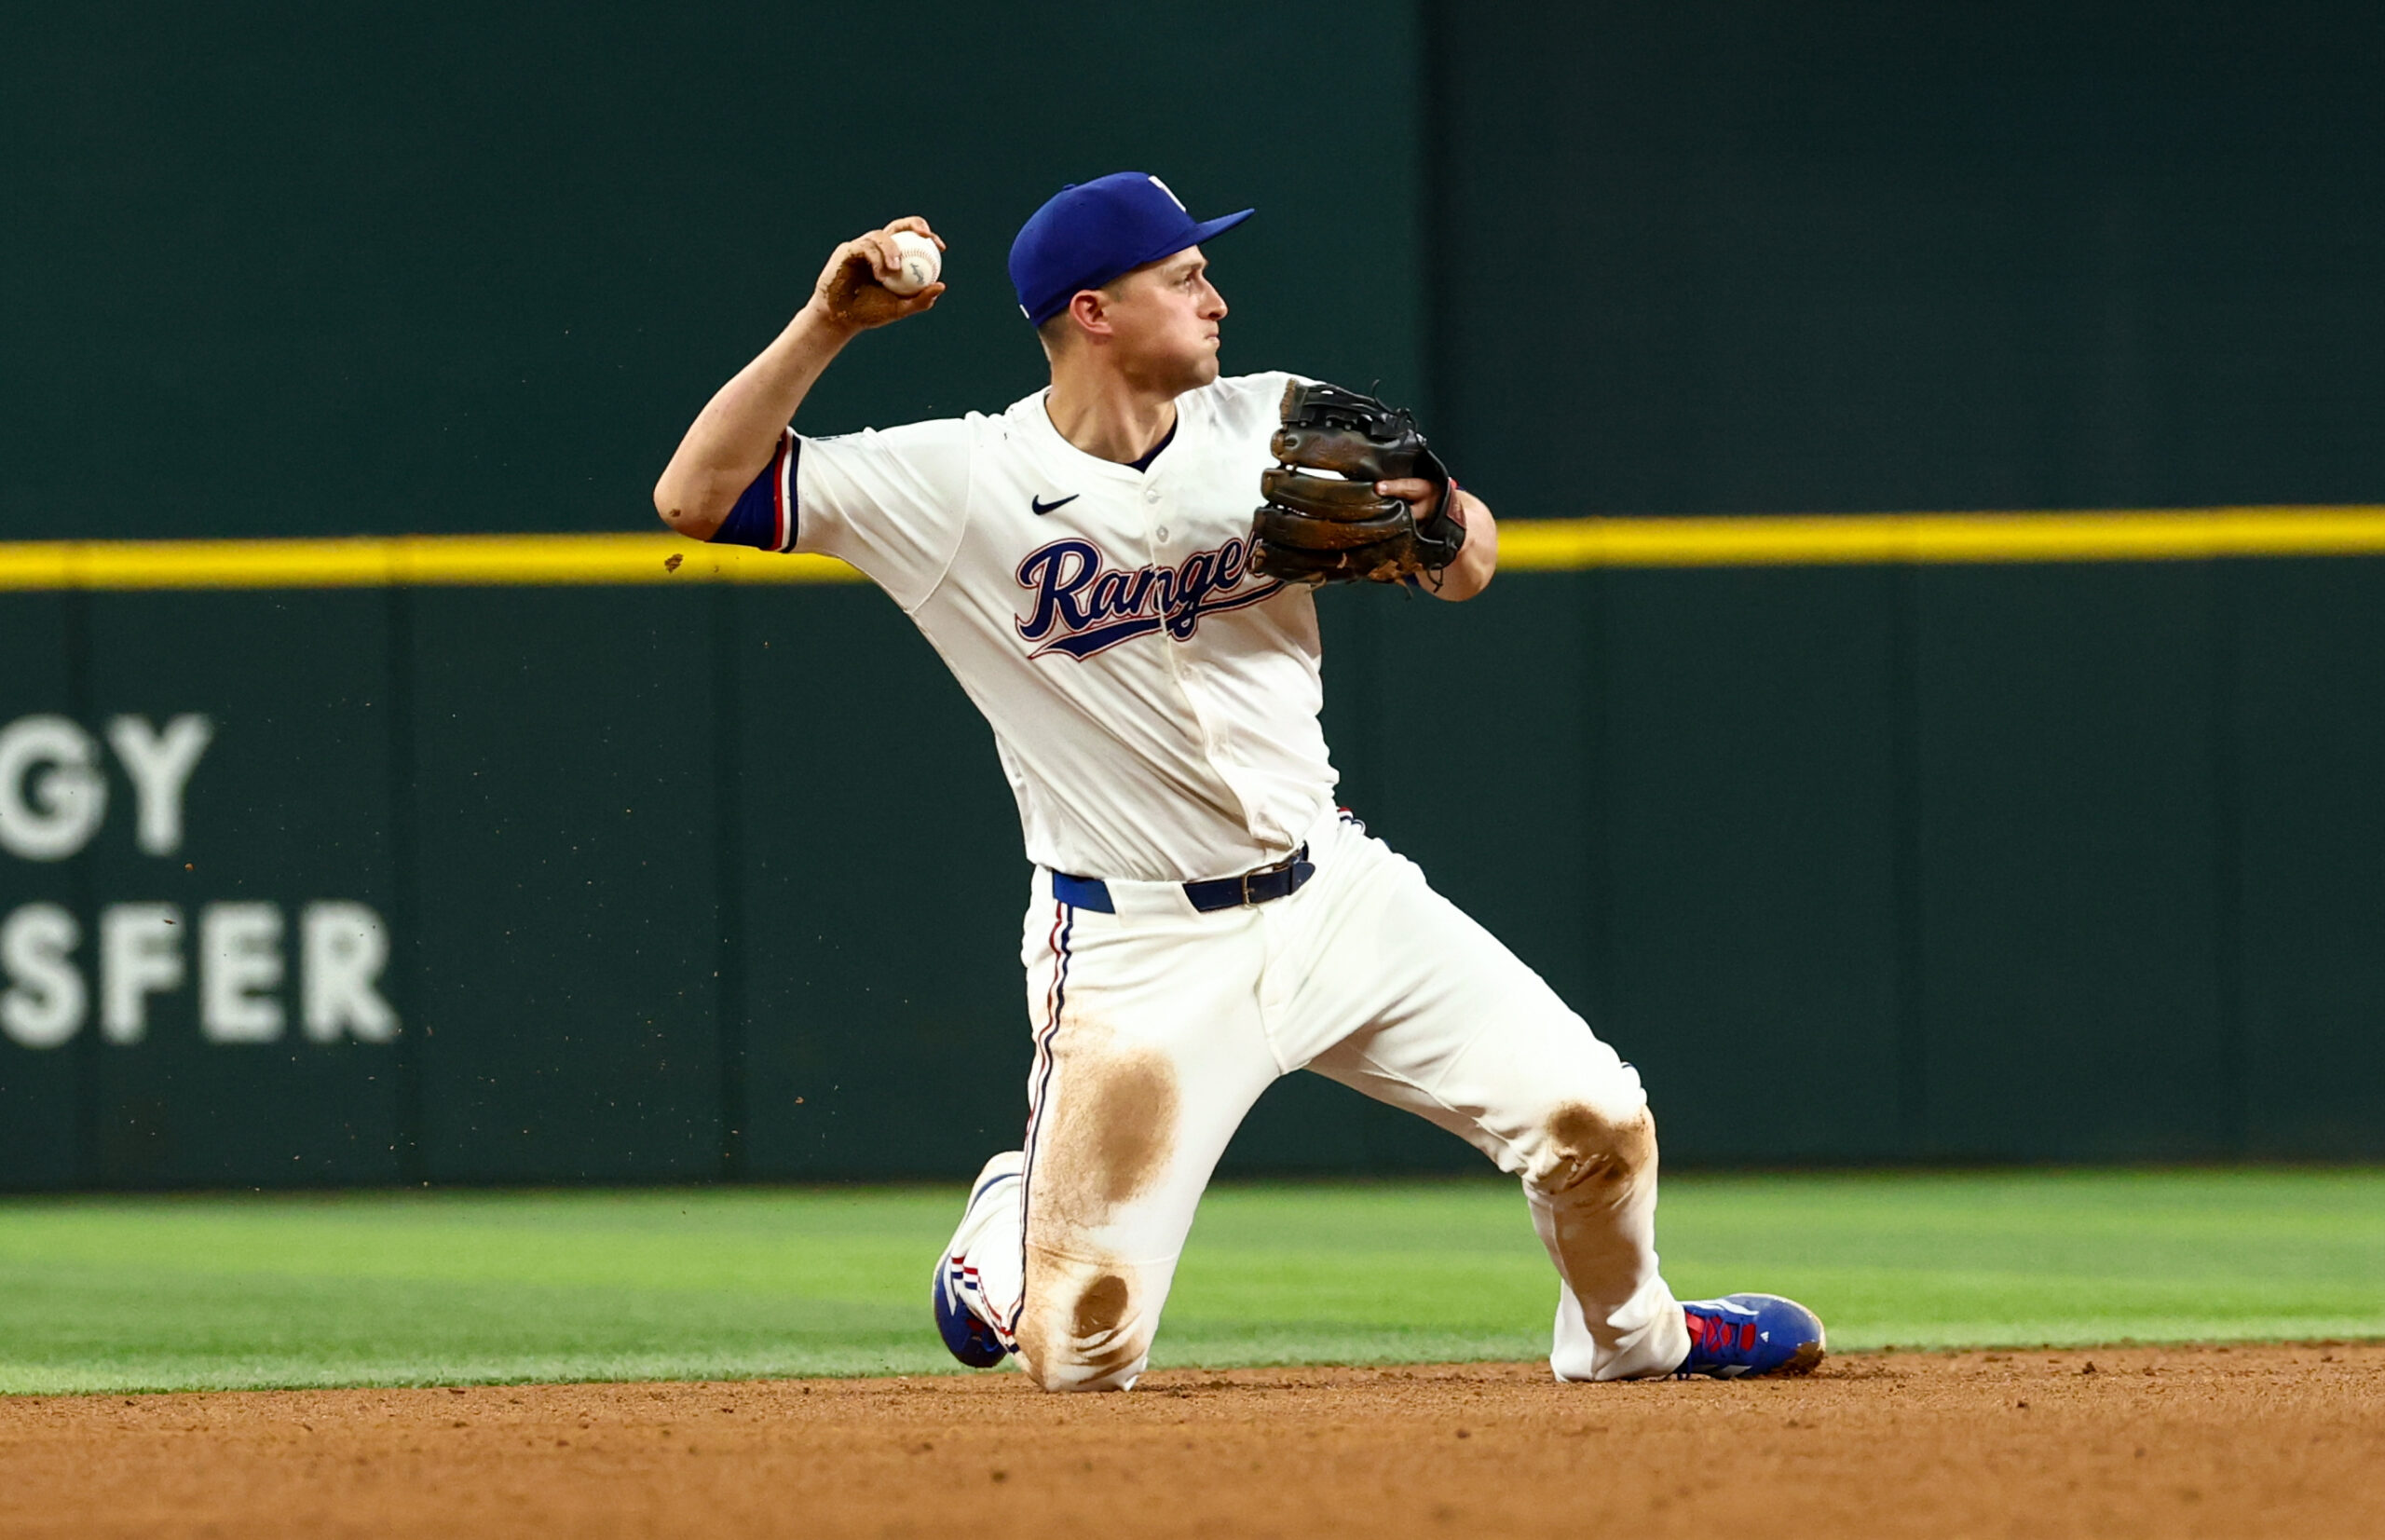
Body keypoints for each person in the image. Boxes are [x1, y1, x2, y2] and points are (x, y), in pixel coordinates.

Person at [652, 172, 1824, 1392]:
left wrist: (1432, 518)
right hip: (1134, 950)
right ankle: (1014, 1220)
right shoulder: (960, 484)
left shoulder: (1278, 421)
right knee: (1081, 1355)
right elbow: (697, 496)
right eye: (1185, 275)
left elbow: (1471, 566)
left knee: (1598, 1121)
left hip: (1335, 896)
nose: (1217, 296)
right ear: (1094, 312)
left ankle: (1641, 1338)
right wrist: (829, 323)